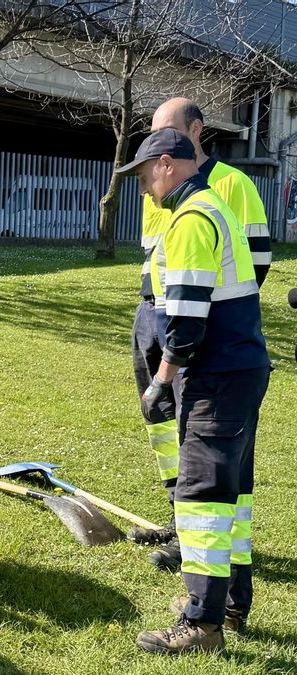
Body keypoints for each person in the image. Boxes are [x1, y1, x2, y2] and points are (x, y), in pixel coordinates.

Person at [116, 129, 268, 655]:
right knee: (232, 497)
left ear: (164, 165)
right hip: (241, 368)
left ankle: (202, 625)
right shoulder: (211, 206)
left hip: (216, 375)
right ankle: (231, 604)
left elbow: (185, 318)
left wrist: (162, 381)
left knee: (201, 495)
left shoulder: (189, 219)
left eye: (140, 176)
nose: (141, 189)